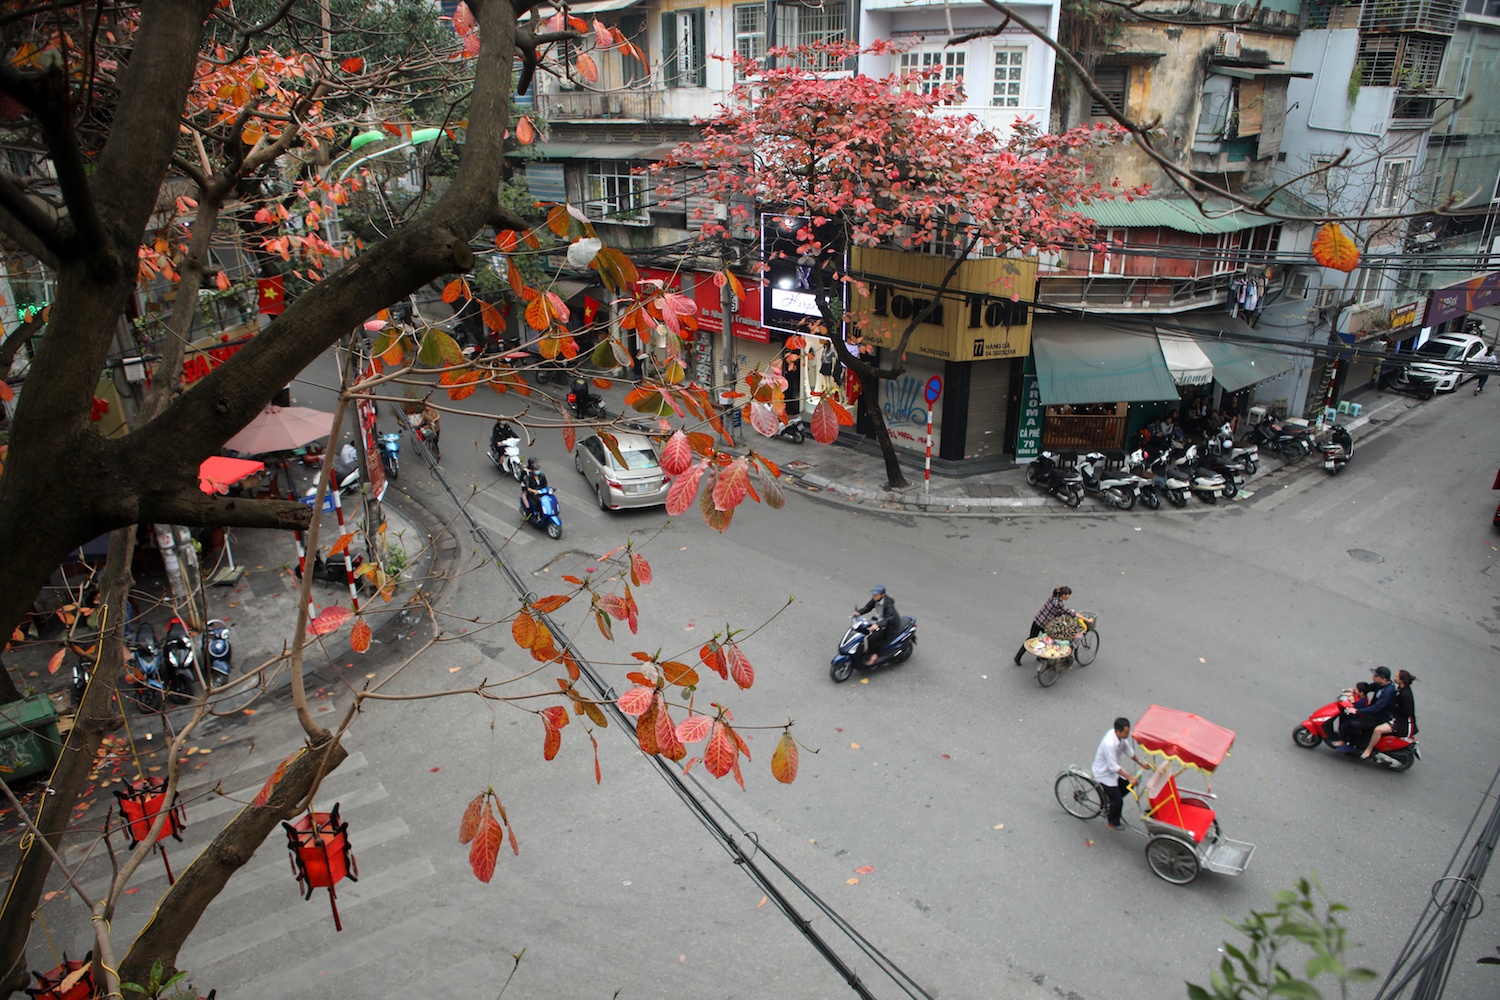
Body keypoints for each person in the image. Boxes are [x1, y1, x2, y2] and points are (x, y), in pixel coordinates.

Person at [1092, 717, 1152, 831]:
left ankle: (1111, 800)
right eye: (1126, 733)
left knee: (1128, 786)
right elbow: (1113, 766)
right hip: (1104, 774)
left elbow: (1129, 751)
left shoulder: (1120, 738)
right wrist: (1129, 778)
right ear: (1118, 731)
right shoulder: (1109, 744)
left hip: (1113, 772)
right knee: (1118, 800)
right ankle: (1112, 822)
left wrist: (1141, 763)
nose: (1128, 735)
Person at [1335, 666, 1395, 750]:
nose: (1373, 677)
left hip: (1378, 717)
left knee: (1353, 723)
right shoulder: (1381, 684)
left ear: (1383, 679)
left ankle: (1352, 745)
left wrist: (1357, 711)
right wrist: (1355, 691)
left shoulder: (1387, 692)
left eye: (1376, 676)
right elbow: (1368, 688)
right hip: (1373, 712)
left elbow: (1377, 707)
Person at [1362, 669, 1417, 759]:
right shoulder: (1401, 688)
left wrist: (1395, 706)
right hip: (1396, 718)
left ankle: (1369, 749)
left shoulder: (1405, 694)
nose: (1394, 678)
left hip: (1401, 723)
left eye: (1396, 676)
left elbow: (1408, 711)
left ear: (1401, 680)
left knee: (1378, 730)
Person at [1014, 586, 1076, 665]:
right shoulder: (1058, 603)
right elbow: (1070, 612)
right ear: (1063, 595)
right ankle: (1041, 656)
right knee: (1049, 640)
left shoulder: (1053, 597)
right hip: (1044, 625)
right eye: (1068, 595)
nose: (1069, 597)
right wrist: (1086, 619)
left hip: (1037, 621)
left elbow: (1058, 611)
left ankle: (1018, 657)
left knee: (1031, 638)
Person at [854, 585, 899, 666]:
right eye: (873, 594)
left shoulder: (888, 605)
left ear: (882, 595)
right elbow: (868, 607)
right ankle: (869, 650)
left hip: (889, 625)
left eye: (875, 594)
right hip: (880, 620)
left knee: (872, 638)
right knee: (864, 631)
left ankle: (875, 655)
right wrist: (859, 612)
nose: (873, 596)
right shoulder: (875, 599)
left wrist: (878, 624)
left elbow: (889, 618)